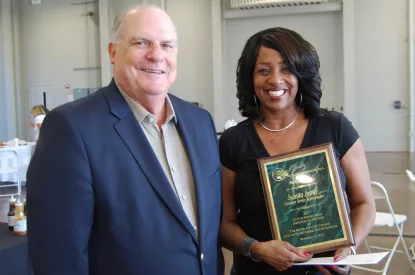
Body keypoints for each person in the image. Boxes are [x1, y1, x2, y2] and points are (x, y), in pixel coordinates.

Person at [27, 5, 224, 275]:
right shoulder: (71, 128)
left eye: (167, 45)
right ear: (112, 52)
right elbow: (57, 257)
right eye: (141, 42)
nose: (156, 55)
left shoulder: (201, 122)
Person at [219, 27, 375, 275]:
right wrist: (257, 249)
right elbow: (225, 224)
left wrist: (350, 246)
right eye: (263, 70)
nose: (275, 80)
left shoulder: (335, 128)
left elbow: (364, 203)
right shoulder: (232, 141)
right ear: (250, 79)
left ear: (301, 73)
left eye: (287, 68)